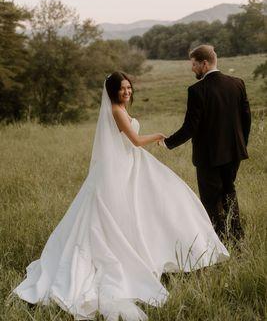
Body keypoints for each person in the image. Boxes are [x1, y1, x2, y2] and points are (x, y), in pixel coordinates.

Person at [12, 71, 229, 321]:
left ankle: (157, 252)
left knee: (159, 205)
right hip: (124, 166)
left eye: (129, 88)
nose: (127, 92)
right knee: (126, 213)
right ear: (113, 92)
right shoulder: (116, 110)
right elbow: (135, 141)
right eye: (122, 89)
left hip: (128, 163)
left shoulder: (119, 109)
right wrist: (158, 136)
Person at [162, 45, 251, 241]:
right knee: (229, 193)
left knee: (211, 201)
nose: (192, 68)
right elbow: (246, 119)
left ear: (204, 63)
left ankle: (217, 243)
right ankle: (237, 239)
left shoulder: (196, 90)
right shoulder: (237, 83)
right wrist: (241, 144)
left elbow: (190, 127)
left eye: (194, 64)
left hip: (209, 157)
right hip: (234, 152)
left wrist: (168, 143)